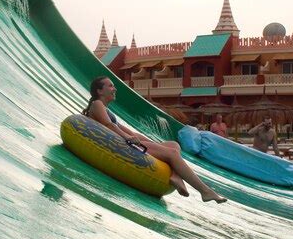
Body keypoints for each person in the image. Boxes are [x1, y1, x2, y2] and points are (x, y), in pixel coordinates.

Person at [82, 77, 227, 203]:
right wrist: (128, 138)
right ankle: (205, 191)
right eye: (110, 86)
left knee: (173, 144)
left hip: (126, 141)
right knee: (173, 154)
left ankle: (176, 176)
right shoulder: (97, 104)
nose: (115, 88)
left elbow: (128, 131)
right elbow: (109, 126)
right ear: (99, 91)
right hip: (121, 145)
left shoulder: (107, 110)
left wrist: (153, 144)